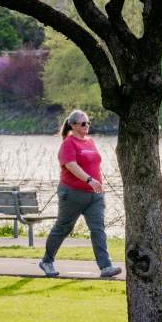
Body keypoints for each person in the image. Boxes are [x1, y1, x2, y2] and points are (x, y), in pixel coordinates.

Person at [39, 109, 122, 279]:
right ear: (73, 125)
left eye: (88, 123)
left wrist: (98, 183)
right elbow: (71, 165)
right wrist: (90, 180)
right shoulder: (68, 143)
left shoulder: (90, 142)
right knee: (63, 228)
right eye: (84, 123)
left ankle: (106, 267)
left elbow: (94, 163)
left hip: (95, 196)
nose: (87, 126)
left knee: (98, 229)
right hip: (72, 194)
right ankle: (47, 261)